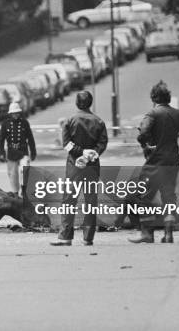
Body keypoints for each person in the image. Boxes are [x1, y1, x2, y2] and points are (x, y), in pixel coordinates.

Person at [129, 81, 179, 243]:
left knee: (143, 196)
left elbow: (143, 133)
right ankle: (168, 234)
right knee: (169, 197)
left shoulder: (152, 114)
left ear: (153, 98)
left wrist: (146, 144)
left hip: (154, 162)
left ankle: (147, 233)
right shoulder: (177, 114)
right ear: (167, 98)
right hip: (172, 162)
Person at [51, 91, 108, 246]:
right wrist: (89, 155)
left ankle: (65, 237)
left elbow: (67, 144)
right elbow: (102, 144)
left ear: (77, 103)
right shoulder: (99, 122)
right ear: (90, 103)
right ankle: (88, 237)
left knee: (69, 200)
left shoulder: (69, 121)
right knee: (91, 200)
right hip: (92, 166)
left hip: (73, 165)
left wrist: (80, 153)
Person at [0, 102, 36, 198]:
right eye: (14, 113)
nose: (16, 115)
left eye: (17, 113)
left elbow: (30, 138)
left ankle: (24, 189)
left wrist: (33, 151)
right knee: (12, 174)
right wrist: (1, 153)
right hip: (11, 152)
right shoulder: (5, 124)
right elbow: (0, 140)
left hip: (23, 151)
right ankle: (15, 192)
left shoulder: (24, 123)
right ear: (10, 113)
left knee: (25, 169)